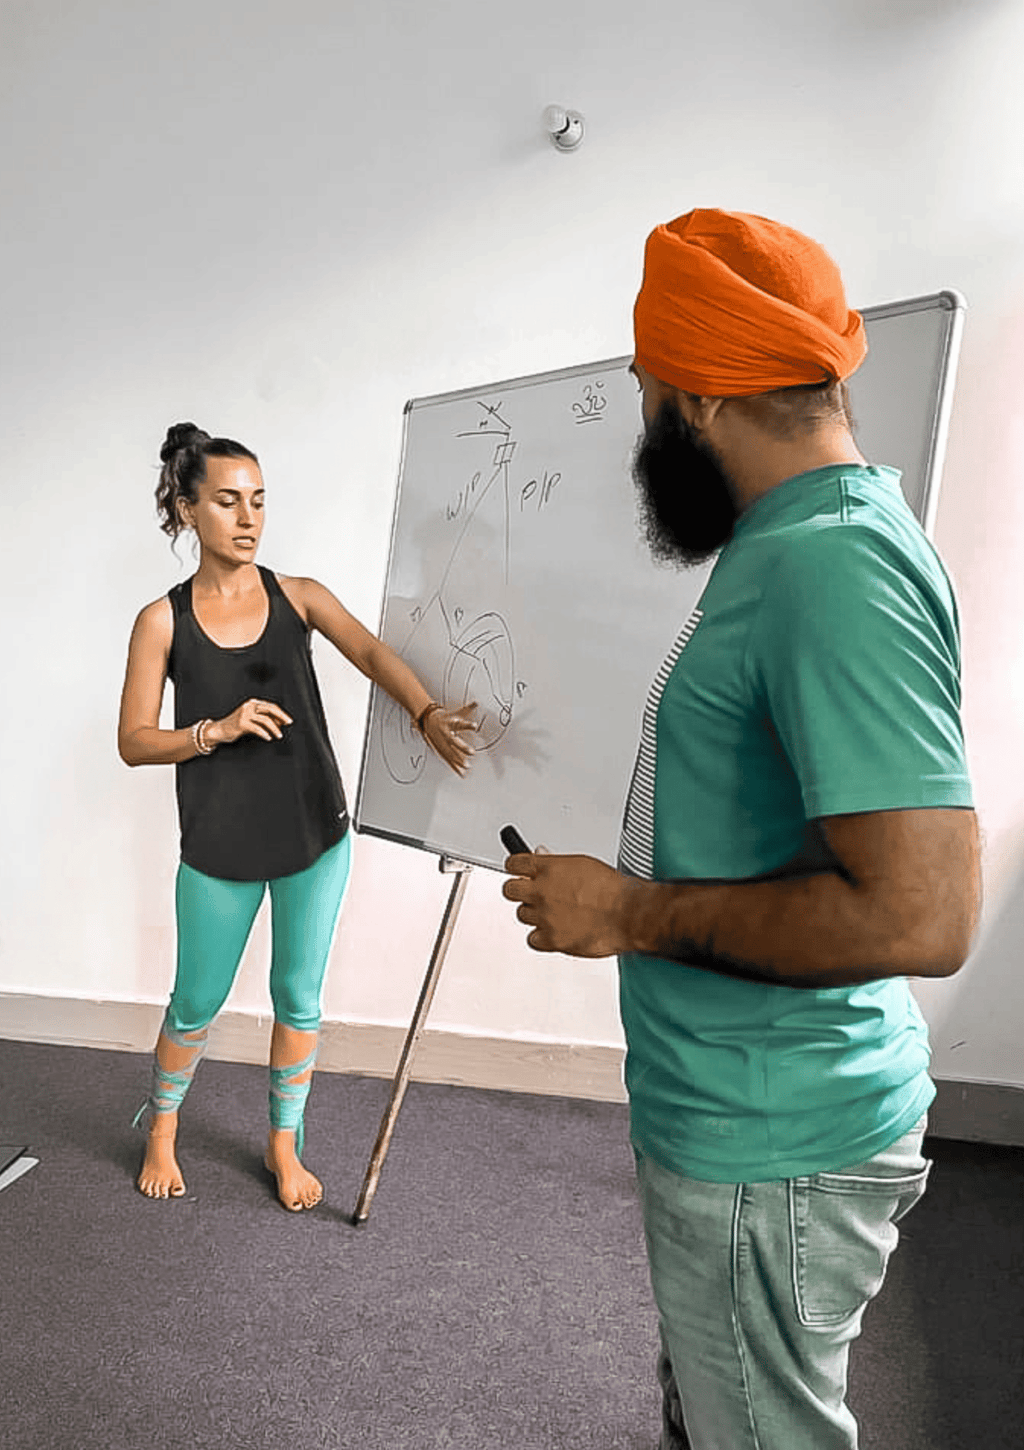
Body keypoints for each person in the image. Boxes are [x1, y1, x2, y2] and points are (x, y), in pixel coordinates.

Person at [503, 210, 981, 1450]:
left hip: (774, 1137)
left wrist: (628, 910)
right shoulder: (793, 543)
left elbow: (922, 913)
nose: (641, 417)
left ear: (700, 397)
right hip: (741, 1116)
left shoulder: (835, 565)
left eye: (646, 388)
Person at [119, 423, 478, 1211]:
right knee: (196, 1000)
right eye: (226, 501)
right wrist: (214, 731)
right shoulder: (162, 621)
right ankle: (162, 1127)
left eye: (258, 500)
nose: (248, 517)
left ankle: (285, 1144)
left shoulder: (299, 596)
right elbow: (134, 741)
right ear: (187, 509)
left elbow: (372, 654)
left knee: (299, 997)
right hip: (219, 845)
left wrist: (424, 713)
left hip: (315, 834)